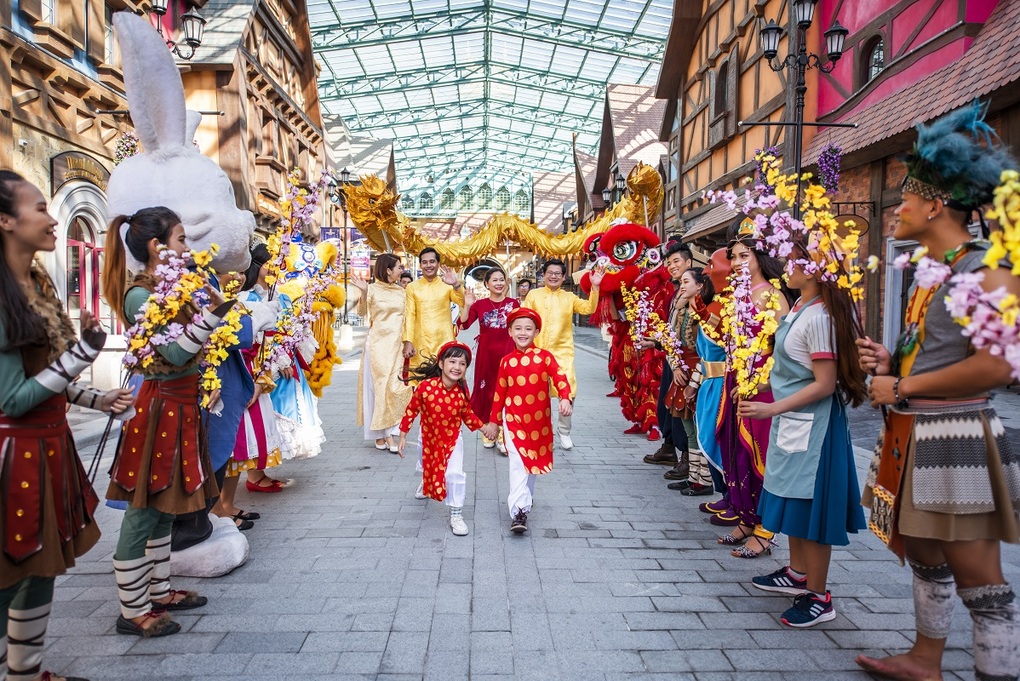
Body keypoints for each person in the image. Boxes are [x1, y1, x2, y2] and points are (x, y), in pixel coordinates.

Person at [855, 102, 1020, 681]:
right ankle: (926, 660)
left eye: (906, 197)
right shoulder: (935, 269)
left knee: (981, 578)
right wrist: (891, 359)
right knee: (922, 551)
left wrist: (900, 382)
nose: (897, 208)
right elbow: (938, 350)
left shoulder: (986, 271)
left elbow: (997, 367)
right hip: (912, 430)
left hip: (957, 434)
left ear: (934, 204)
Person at [0, 171, 133, 681]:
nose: (52, 217)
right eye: (39, 208)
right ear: (6, 220)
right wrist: (80, 358)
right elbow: (13, 399)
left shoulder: (36, 281)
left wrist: (96, 396)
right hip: (12, 455)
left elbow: (48, 377)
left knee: (41, 569)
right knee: (10, 573)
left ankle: (27, 673)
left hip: (46, 447)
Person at [102, 206, 231, 637]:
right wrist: (215, 312)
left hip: (181, 406)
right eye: (180, 240)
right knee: (143, 509)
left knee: (163, 511)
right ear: (158, 247)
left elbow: (189, 351)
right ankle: (132, 608)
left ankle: (159, 592)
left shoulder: (168, 289)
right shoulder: (140, 295)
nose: (187, 248)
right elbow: (175, 355)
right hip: (157, 411)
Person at [741, 242, 868, 627]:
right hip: (795, 422)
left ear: (816, 270)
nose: (785, 266)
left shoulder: (822, 318)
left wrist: (771, 407)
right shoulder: (800, 307)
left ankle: (819, 595)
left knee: (813, 510)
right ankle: (798, 574)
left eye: (794, 260)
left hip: (815, 429)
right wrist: (766, 392)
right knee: (793, 501)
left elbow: (825, 384)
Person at [715, 225, 792, 557]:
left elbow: (786, 347)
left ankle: (766, 527)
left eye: (744, 256)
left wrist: (763, 380)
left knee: (758, 451)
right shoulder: (740, 293)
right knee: (735, 449)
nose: (736, 263)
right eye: (733, 257)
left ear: (761, 256)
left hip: (762, 383)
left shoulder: (772, 294)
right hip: (736, 378)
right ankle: (746, 516)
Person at [484, 307, 572, 534]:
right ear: (510, 332)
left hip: (539, 423)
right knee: (518, 463)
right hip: (513, 421)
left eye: (528, 329)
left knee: (531, 464)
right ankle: (518, 512)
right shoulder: (506, 362)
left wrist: (565, 398)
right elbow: (499, 395)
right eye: (518, 328)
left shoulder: (545, 357)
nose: (523, 333)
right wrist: (494, 422)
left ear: (536, 332)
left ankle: (526, 500)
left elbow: (560, 377)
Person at [398, 341, 484, 536]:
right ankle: (425, 481)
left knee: (454, 474)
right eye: (452, 361)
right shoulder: (425, 387)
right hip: (427, 438)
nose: (457, 367)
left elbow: (468, 416)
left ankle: (456, 513)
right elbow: (411, 411)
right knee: (425, 464)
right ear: (441, 364)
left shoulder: (462, 392)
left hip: (453, 440)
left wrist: (485, 428)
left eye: (462, 363)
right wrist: (402, 435)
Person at [522, 259, 603, 449]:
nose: (553, 276)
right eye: (550, 272)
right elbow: (524, 316)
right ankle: (539, 431)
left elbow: (589, 308)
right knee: (536, 394)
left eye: (557, 273)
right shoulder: (533, 295)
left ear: (563, 277)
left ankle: (564, 431)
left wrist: (595, 287)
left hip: (562, 353)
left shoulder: (569, 297)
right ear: (543, 275)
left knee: (569, 391)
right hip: (537, 351)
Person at [353, 253, 413, 452]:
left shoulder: (401, 291)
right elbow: (361, 314)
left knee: (396, 388)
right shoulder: (371, 290)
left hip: (396, 347)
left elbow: (407, 319)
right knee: (379, 388)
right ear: (388, 270)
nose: (401, 270)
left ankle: (390, 430)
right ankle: (384, 435)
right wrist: (363, 293)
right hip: (377, 346)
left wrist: (407, 342)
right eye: (398, 267)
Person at [642, 242, 693, 470]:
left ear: (689, 263)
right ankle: (669, 446)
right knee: (667, 405)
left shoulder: (696, 291)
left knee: (682, 408)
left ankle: (688, 457)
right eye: (669, 262)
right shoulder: (676, 292)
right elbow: (671, 328)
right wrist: (654, 341)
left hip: (687, 360)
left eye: (677, 262)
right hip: (671, 357)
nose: (672, 266)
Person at [458, 266, 519, 452]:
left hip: (508, 353)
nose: (499, 283)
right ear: (487, 284)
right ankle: (487, 431)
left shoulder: (513, 304)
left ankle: (502, 435)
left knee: (506, 391)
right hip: (486, 355)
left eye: (502, 279)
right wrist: (467, 304)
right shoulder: (480, 305)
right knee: (487, 392)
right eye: (495, 280)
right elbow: (464, 324)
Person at [686, 248, 731, 499]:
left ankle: (733, 500)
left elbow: (724, 338)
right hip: (708, 383)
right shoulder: (713, 304)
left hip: (724, 383)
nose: (706, 271)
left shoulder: (730, 305)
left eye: (712, 265)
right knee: (707, 434)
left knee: (721, 438)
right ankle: (724, 495)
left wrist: (705, 315)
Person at [664, 267, 714, 493]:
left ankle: (704, 479)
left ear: (700, 285)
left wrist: (694, 379)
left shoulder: (708, 312)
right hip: (682, 371)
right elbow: (671, 343)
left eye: (686, 282)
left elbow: (709, 352)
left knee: (699, 425)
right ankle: (693, 476)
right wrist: (675, 367)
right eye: (681, 282)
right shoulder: (680, 309)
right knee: (687, 426)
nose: (681, 286)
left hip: (700, 372)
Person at [402, 247, 465, 371]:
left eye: (432, 261)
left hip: (444, 340)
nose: (428, 265)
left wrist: (456, 285)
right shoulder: (412, 287)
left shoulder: (447, 285)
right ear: (420, 265)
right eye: (424, 262)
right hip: (420, 342)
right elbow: (410, 315)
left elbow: (463, 302)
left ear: (438, 264)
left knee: (445, 379)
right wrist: (408, 341)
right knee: (421, 382)